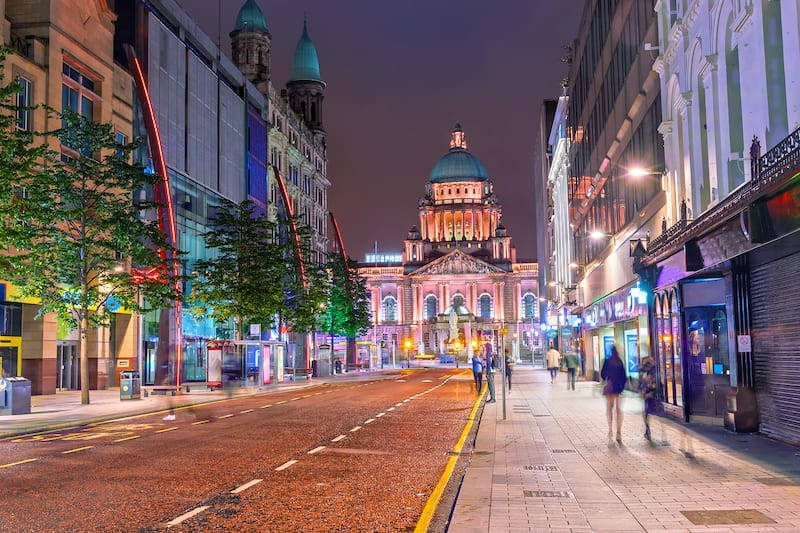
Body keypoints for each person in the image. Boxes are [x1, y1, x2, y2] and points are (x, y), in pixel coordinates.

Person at [600, 345, 626, 445]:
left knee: (609, 409)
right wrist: (622, 387)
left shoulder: (608, 361)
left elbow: (603, 374)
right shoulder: (619, 362)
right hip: (618, 388)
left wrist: (606, 378)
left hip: (610, 387)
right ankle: (619, 432)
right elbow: (624, 376)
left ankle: (610, 429)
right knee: (619, 410)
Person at [638, 355, 664, 444]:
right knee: (648, 412)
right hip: (650, 393)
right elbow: (642, 378)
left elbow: (655, 383)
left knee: (649, 412)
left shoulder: (653, 371)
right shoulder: (650, 370)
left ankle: (649, 430)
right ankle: (648, 430)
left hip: (651, 393)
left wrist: (645, 391)